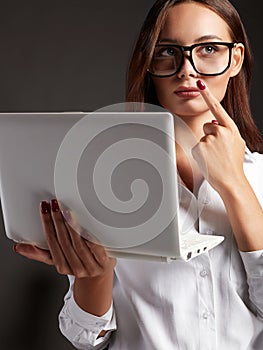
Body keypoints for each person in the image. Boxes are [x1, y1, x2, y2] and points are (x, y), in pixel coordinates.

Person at [14, 0, 263, 349]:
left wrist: (236, 184)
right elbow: (86, 337)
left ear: (235, 59)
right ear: (149, 63)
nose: (187, 70)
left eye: (208, 49)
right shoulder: (107, 178)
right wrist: (95, 275)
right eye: (167, 51)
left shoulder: (261, 178)